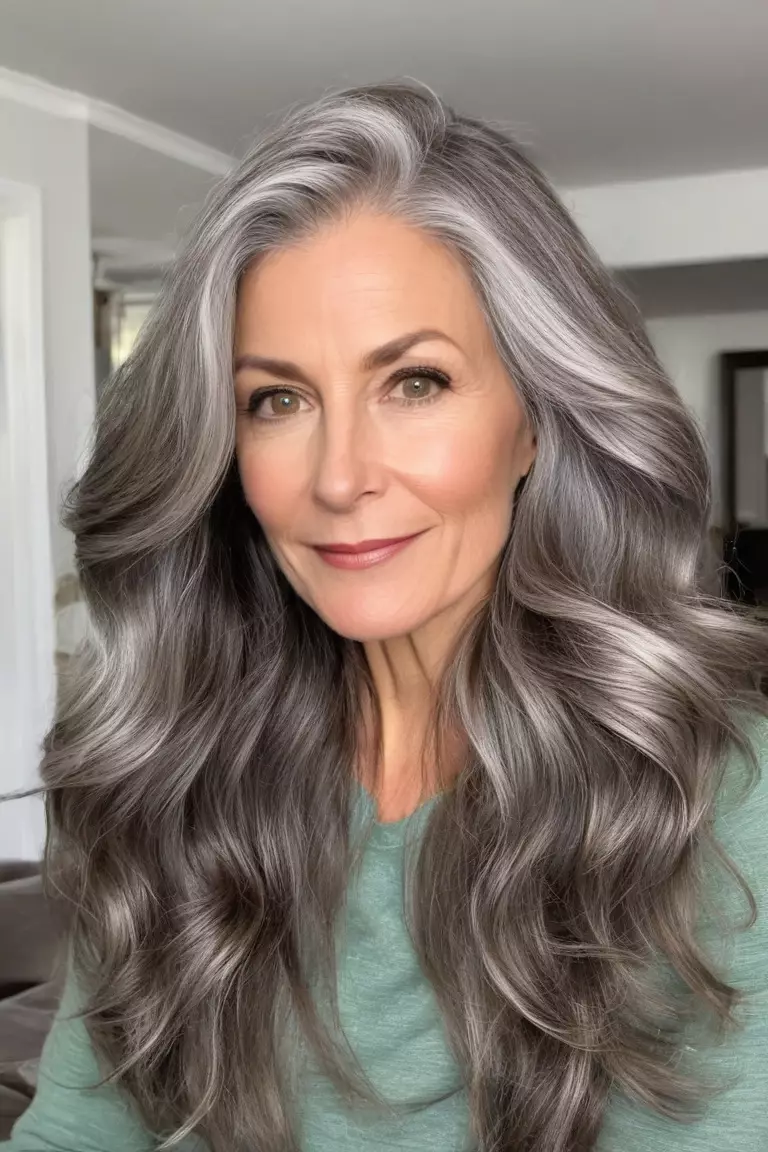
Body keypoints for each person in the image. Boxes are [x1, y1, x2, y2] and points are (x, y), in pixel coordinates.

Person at [2, 78, 767, 1152]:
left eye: (414, 382)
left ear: (536, 422)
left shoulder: (720, 806)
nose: (340, 476)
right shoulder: (180, 777)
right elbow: (80, 1128)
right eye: (278, 399)